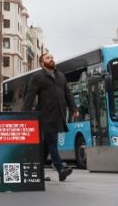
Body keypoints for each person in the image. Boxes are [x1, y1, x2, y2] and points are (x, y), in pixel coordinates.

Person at [22, 52, 78, 182]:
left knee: (47, 144)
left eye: (52, 57)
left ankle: (36, 171)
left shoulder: (61, 76)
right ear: (42, 63)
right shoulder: (38, 76)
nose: (51, 59)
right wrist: (24, 113)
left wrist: (74, 108)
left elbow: (68, 94)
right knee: (52, 142)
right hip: (45, 115)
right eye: (48, 58)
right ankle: (60, 169)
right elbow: (30, 95)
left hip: (59, 114)